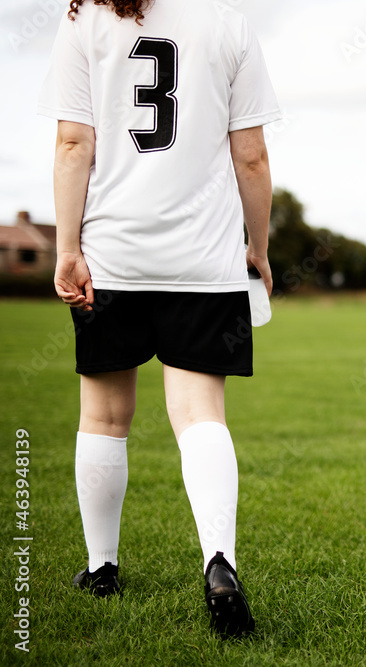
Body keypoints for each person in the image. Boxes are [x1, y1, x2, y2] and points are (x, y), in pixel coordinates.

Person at [39, 0, 281, 637]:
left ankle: (102, 567)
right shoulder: (227, 20)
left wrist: (68, 250)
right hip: (204, 261)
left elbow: (72, 144)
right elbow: (250, 156)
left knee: (104, 416)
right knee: (201, 416)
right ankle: (219, 561)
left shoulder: (84, 19)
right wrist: (256, 248)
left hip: (112, 256)